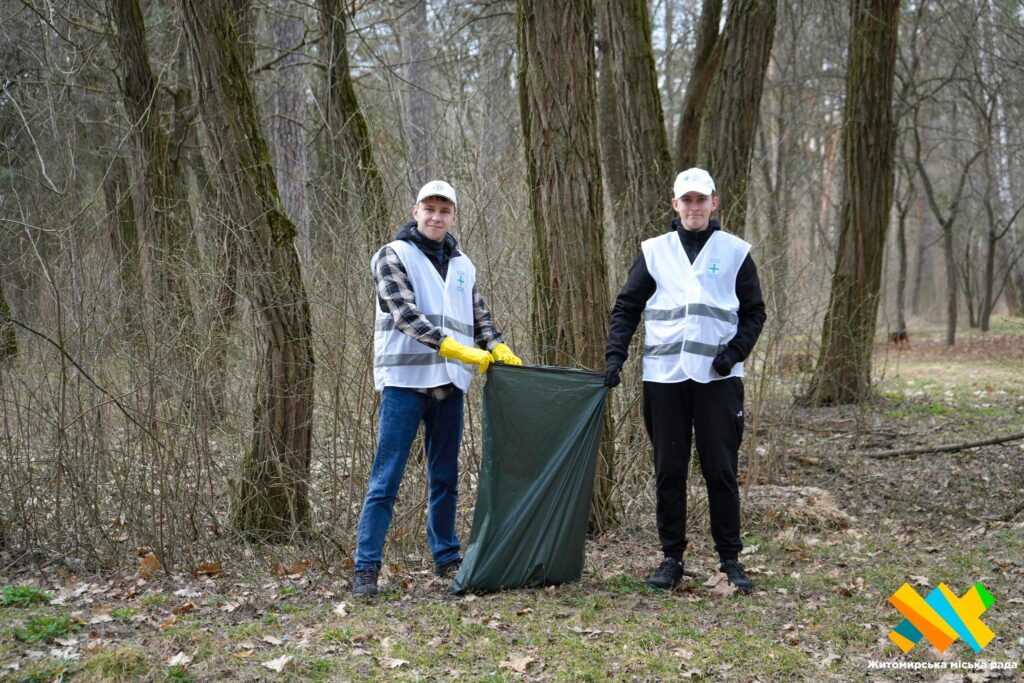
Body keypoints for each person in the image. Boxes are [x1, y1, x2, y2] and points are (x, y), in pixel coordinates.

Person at [353, 180, 522, 597]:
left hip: (450, 385)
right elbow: (403, 313)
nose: (436, 216)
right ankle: (365, 569)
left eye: (444, 210)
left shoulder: (464, 265)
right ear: (415, 212)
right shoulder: (392, 256)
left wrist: (495, 343)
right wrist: (452, 347)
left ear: (454, 217)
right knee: (386, 478)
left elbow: (477, 313)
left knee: (445, 476)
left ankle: (446, 557)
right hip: (405, 384)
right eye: (429, 208)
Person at [604, 168, 766, 592]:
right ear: (675, 205)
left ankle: (730, 560)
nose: (694, 207)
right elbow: (626, 307)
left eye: (701, 200)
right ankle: (671, 558)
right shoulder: (655, 251)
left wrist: (732, 355)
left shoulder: (734, 252)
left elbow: (754, 313)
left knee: (720, 471)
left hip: (719, 381)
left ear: (714, 203)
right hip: (664, 379)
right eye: (686, 200)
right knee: (669, 472)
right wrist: (614, 357)